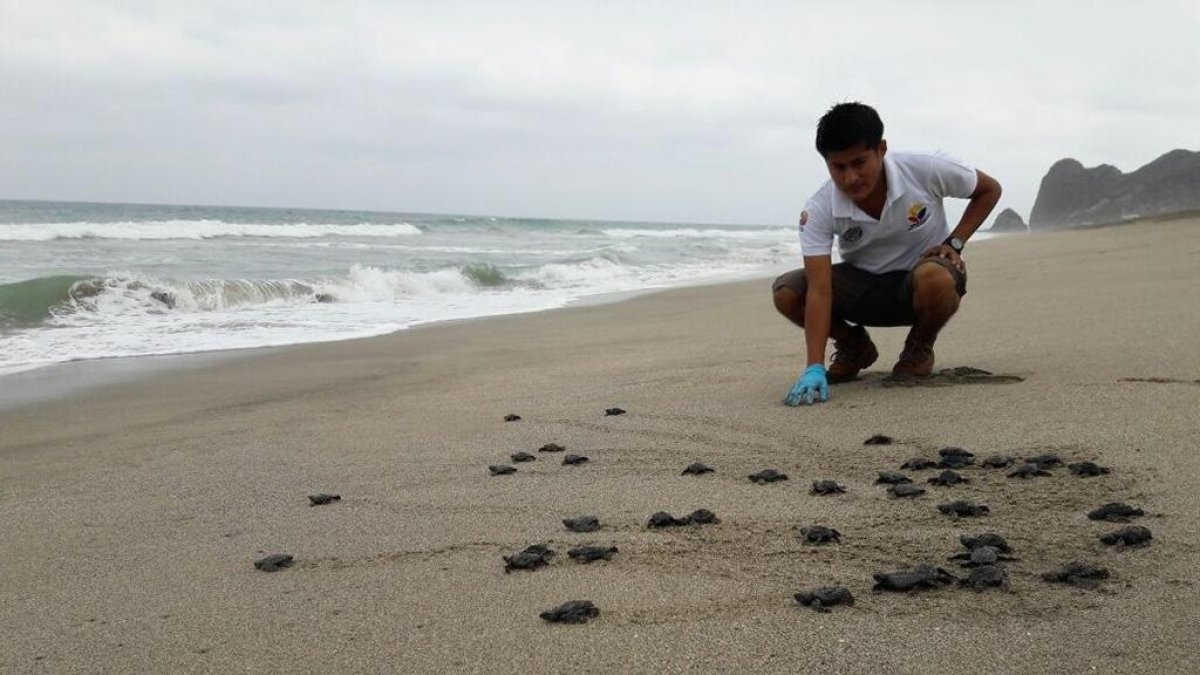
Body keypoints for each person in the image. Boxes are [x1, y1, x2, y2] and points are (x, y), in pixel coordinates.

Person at [773, 102, 1002, 406]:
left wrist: (955, 242)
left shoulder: (924, 168)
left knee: (935, 277)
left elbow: (990, 190)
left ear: (881, 149)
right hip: (863, 290)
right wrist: (813, 365)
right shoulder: (818, 208)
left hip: (921, 282)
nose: (850, 178)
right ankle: (854, 346)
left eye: (859, 163)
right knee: (787, 291)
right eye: (838, 167)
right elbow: (819, 290)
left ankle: (919, 346)